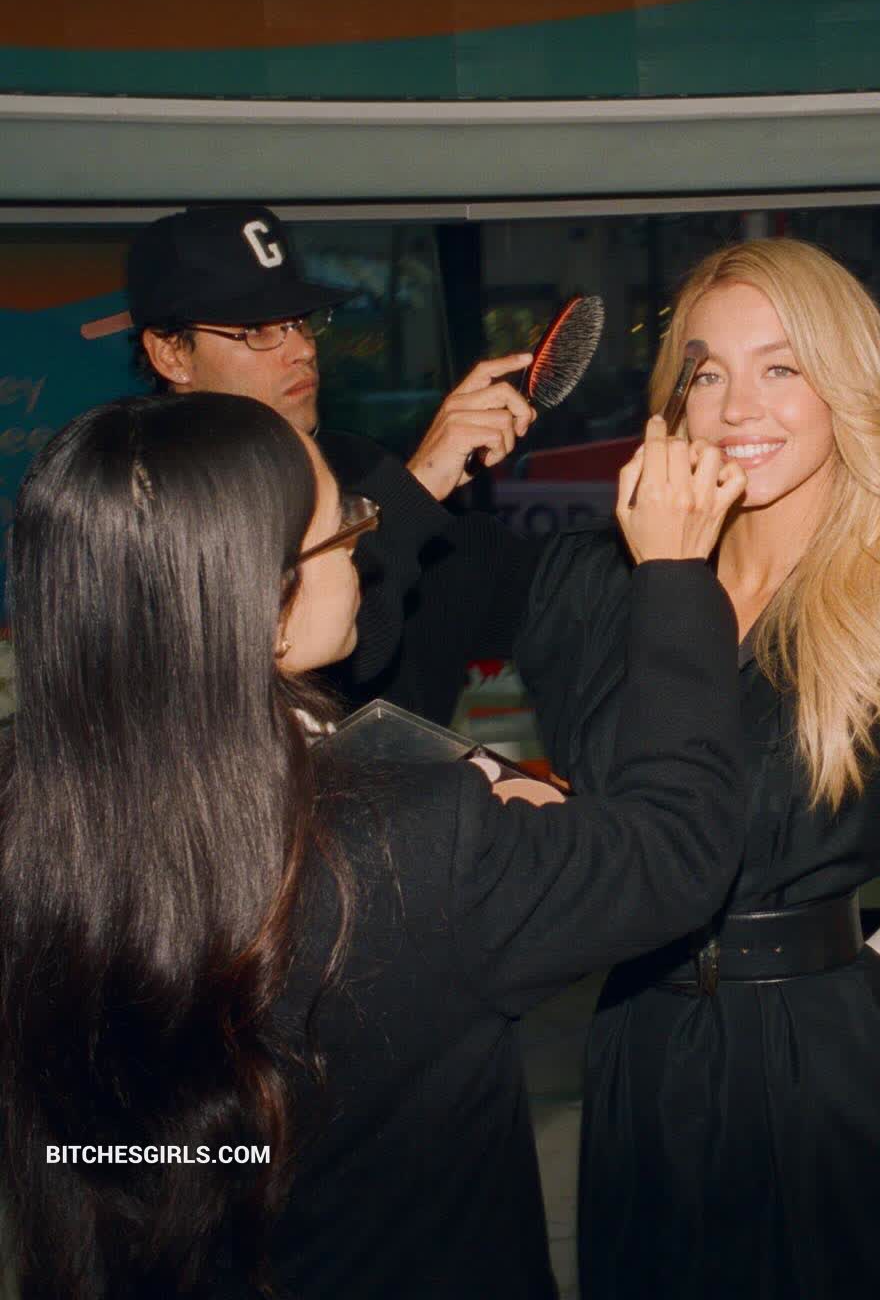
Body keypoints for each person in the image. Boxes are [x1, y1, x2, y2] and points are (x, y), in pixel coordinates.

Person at [0, 392, 748, 1299]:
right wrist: (675, 573)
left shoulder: (31, 813)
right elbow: (675, 847)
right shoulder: (407, 844)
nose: (366, 544)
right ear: (271, 609)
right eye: (346, 526)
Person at [516, 238, 880, 1300]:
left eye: (782, 367)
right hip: (637, 1043)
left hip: (822, 1075)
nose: (738, 406)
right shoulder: (611, 587)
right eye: (706, 372)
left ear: (849, 389)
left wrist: (854, 1022)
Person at [127, 203, 542, 724]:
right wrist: (414, 490)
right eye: (257, 329)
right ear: (172, 355)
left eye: (300, 323)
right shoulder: (133, 504)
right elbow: (319, 663)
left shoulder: (354, 466)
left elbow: (519, 590)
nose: (301, 349)